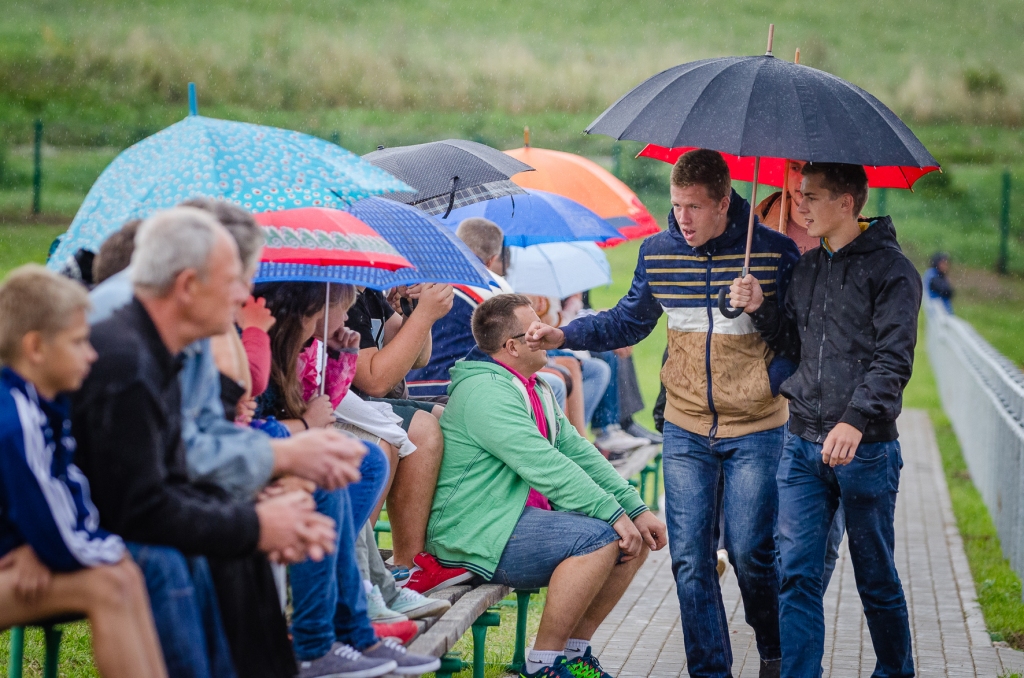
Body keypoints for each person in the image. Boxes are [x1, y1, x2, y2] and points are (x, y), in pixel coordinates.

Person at [527, 149, 801, 678]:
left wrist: (761, 306)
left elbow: (797, 343)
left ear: (724, 203)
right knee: (691, 561)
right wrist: (564, 334)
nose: (683, 218)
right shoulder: (658, 253)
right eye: (676, 205)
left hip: (757, 427)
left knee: (750, 555)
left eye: (695, 207)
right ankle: (710, 671)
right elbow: (627, 323)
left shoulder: (774, 253)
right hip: (684, 426)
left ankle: (775, 650)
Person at [71, 207, 341, 678]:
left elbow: (178, 455)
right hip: (95, 528)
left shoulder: (157, 341)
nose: (245, 295)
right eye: (235, 280)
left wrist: (255, 498)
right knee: (199, 549)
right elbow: (141, 506)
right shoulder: (127, 357)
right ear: (187, 286)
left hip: (125, 511)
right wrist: (256, 521)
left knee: (235, 533)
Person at [730, 162, 921, 678]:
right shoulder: (807, 268)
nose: (799, 206)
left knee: (874, 576)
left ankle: (894, 671)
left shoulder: (893, 270)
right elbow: (793, 345)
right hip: (802, 447)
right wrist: (760, 306)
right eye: (797, 195)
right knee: (796, 575)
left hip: (867, 449)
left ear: (847, 203)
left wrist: (855, 420)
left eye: (811, 197)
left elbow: (893, 360)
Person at [427, 294, 668, 678]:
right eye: (534, 328)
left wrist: (634, 508)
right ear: (512, 346)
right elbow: (545, 465)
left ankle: (574, 653)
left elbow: (577, 451)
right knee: (602, 538)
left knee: (631, 536)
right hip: (475, 532)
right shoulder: (485, 392)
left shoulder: (531, 385)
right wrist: (611, 513)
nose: (544, 331)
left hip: (511, 520)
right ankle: (544, 664)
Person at [0, 265, 168, 678]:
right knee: (109, 583)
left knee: (122, 575)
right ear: (35, 348)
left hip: (14, 560)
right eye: (78, 343)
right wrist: (110, 548)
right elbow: (50, 522)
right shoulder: (15, 416)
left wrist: (38, 547)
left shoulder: (42, 404)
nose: (91, 355)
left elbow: (68, 493)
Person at [347, 282, 451, 571]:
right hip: (349, 407)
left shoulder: (368, 293)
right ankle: (408, 561)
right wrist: (424, 316)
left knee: (453, 417)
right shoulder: (344, 296)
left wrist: (413, 312)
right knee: (423, 428)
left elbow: (418, 358)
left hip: (365, 404)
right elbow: (375, 380)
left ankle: (432, 552)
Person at [755, 160, 818, 255]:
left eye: (812, 170)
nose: (802, 180)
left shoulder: (844, 235)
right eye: (795, 168)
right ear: (786, 172)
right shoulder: (754, 228)